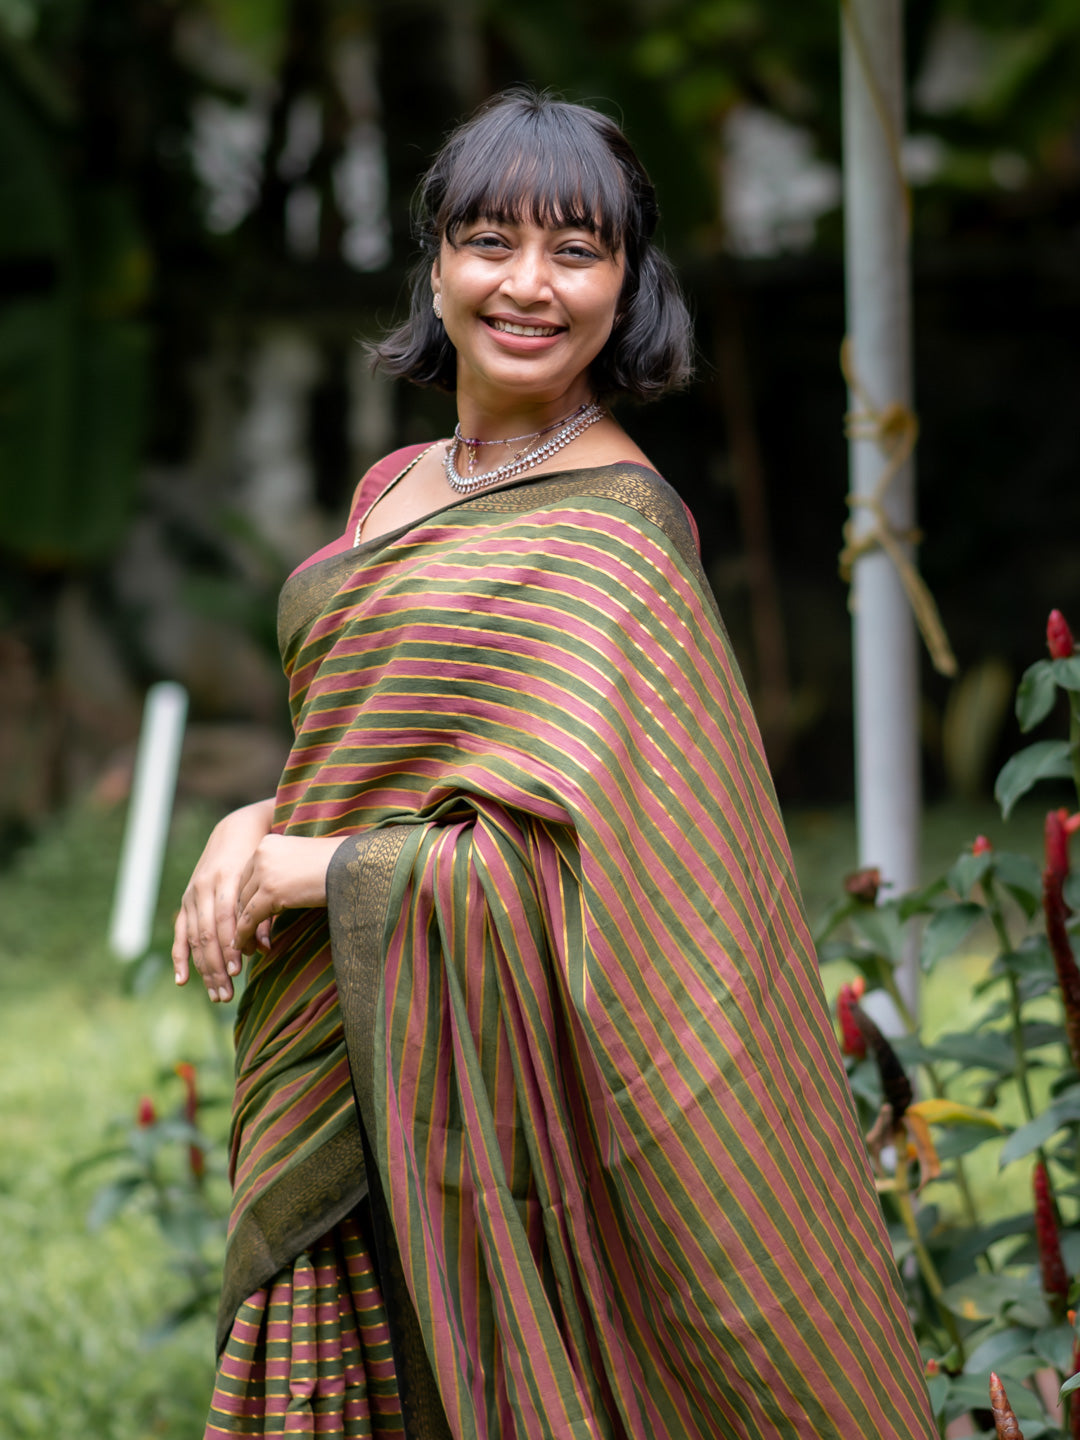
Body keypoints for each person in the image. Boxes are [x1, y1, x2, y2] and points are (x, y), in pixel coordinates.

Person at [173, 89, 936, 1440]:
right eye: (489, 239)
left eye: (576, 249)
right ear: (436, 262)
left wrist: (322, 868)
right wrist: (254, 822)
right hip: (338, 1065)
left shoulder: (620, 541)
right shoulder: (392, 490)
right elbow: (378, 757)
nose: (528, 284)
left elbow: (619, 886)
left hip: (506, 1127)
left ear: (630, 283)